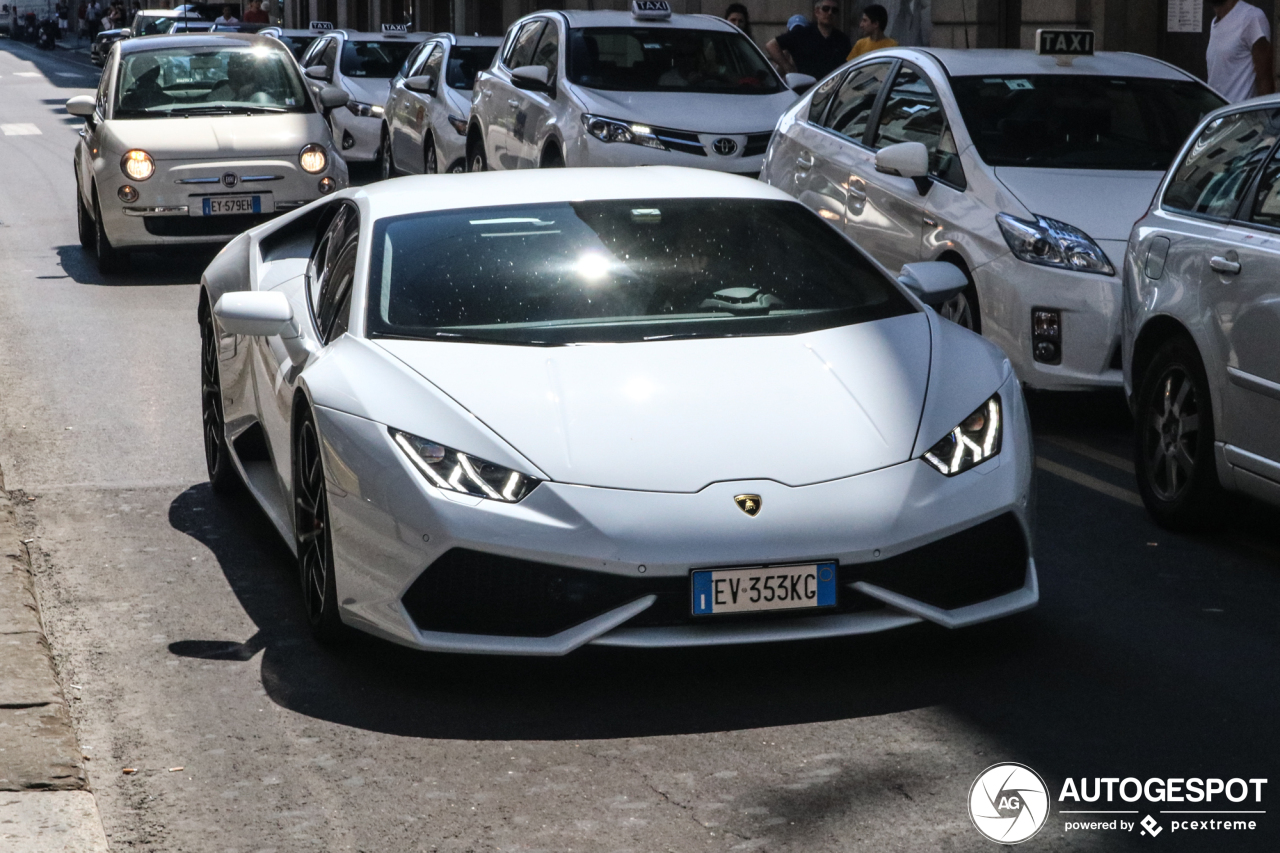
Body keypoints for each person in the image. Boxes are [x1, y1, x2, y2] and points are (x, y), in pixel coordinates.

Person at [1207, 0, 1275, 103]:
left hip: (1241, 115)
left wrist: (1266, 116)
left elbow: (1265, 79)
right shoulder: (1215, 22)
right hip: (1217, 114)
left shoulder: (1251, 17)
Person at [766, 0, 851, 80]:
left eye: (834, 10)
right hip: (805, 89)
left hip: (832, 89)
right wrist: (787, 67)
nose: (830, 13)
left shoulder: (842, 39)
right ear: (817, 12)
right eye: (825, 9)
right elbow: (771, 45)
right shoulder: (802, 34)